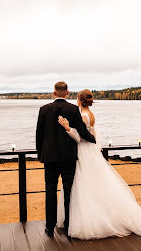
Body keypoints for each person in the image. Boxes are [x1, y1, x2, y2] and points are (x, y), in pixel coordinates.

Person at [57, 89, 141, 240]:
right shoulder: (90, 114)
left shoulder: (82, 115)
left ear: (79, 100)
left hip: (83, 152)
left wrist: (67, 128)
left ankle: (89, 221)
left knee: (84, 184)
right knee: (96, 183)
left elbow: (81, 137)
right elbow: (94, 135)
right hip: (91, 151)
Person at [36, 82, 96, 237]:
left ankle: (50, 227)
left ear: (54, 93)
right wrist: (93, 139)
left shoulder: (44, 109)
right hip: (69, 157)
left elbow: (39, 135)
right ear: (67, 93)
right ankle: (69, 224)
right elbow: (82, 131)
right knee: (69, 191)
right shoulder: (73, 109)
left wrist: (40, 155)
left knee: (50, 191)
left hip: (49, 158)